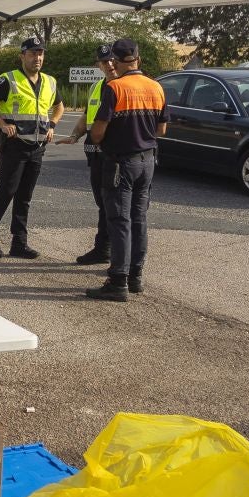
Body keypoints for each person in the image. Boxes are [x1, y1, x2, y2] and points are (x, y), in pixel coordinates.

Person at [85, 38, 168, 303]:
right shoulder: (156, 87)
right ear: (138, 60)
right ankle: (135, 277)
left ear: (118, 62)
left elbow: (98, 132)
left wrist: (107, 137)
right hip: (147, 161)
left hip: (121, 162)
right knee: (139, 218)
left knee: (119, 220)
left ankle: (117, 281)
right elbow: (162, 129)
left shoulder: (115, 88)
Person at [0, 36, 64, 260]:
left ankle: (19, 243)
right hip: (14, 146)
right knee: (6, 192)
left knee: (25, 196)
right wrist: (2, 125)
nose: (38, 58)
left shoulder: (50, 82)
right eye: (33, 53)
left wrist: (52, 125)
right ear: (22, 56)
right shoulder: (9, 79)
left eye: (41, 53)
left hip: (37, 146)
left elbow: (59, 107)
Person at [59, 44, 118, 265]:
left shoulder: (123, 86)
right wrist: (74, 136)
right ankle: (103, 249)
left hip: (115, 155)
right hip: (96, 155)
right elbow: (86, 117)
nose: (109, 64)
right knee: (103, 203)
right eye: (104, 62)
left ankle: (114, 253)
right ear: (99, 65)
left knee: (114, 205)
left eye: (112, 60)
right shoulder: (97, 87)